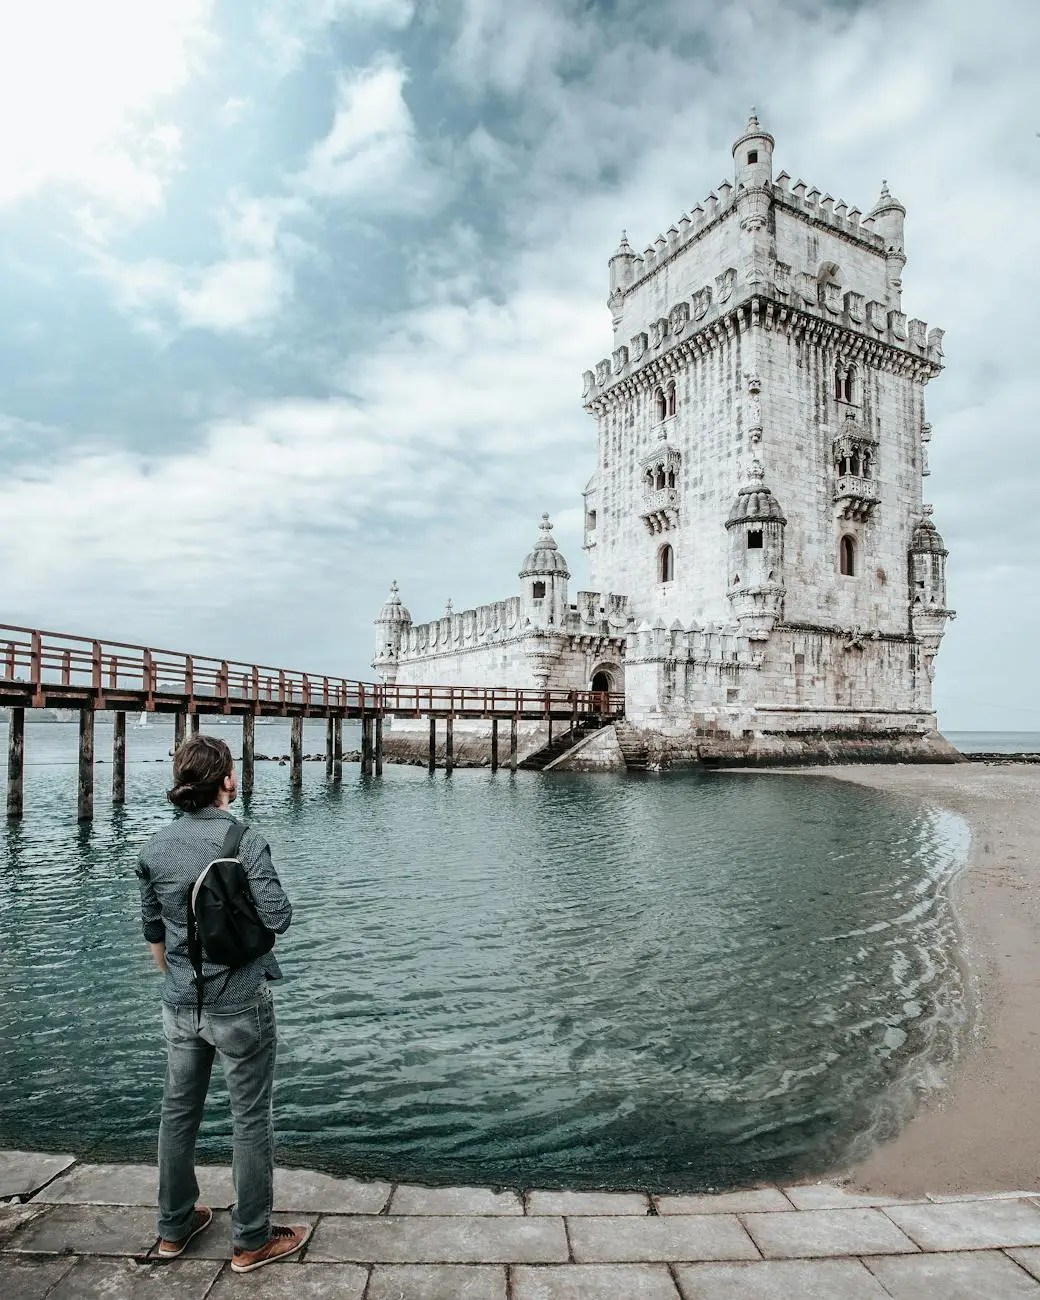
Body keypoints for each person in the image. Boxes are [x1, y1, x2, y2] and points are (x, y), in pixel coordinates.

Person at [136, 733, 309, 1272]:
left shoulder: (153, 848)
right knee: (250, 1118)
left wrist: (182, 977)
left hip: (180, 1001)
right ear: (227, 781)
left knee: (177, 1112)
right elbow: (279, 917)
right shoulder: (244, 839)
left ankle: (173, 1228)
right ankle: (252, 1239)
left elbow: (153, 932)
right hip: (239, 1003)